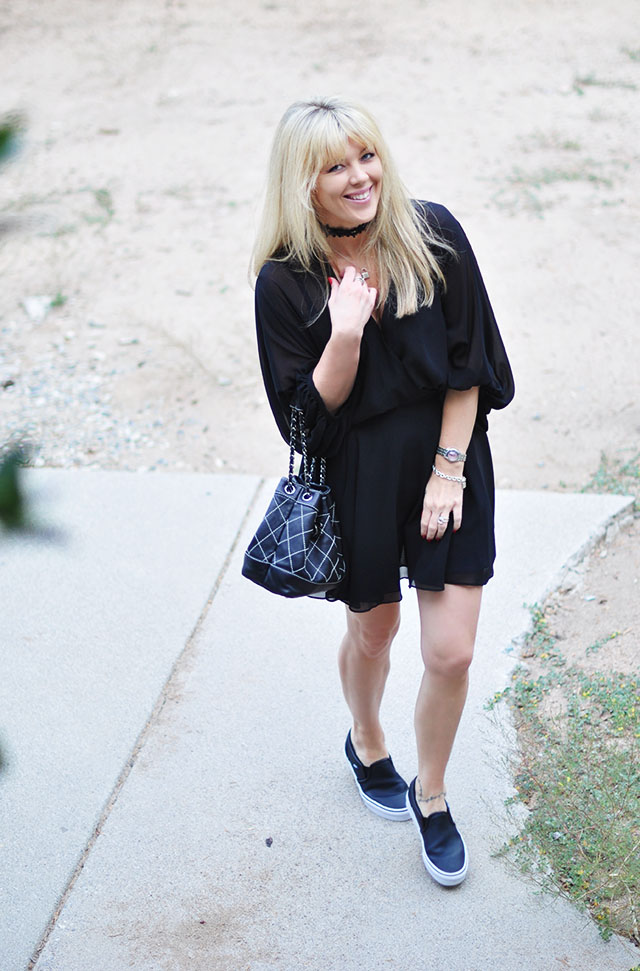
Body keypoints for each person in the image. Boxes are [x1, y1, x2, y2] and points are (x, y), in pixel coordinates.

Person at [251, 96, 514, 887]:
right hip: (358, 475)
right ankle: (366, 738)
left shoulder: (432, 235)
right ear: (303, 185)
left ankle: (431, 795)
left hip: (448, 458)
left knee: (452, 648)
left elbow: (472, 365)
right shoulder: (284, 284)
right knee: (374, 634)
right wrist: (345, 331)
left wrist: (448, 469)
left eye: (365, 156)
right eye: (334, 165)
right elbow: (304, 425)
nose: (359, 176)